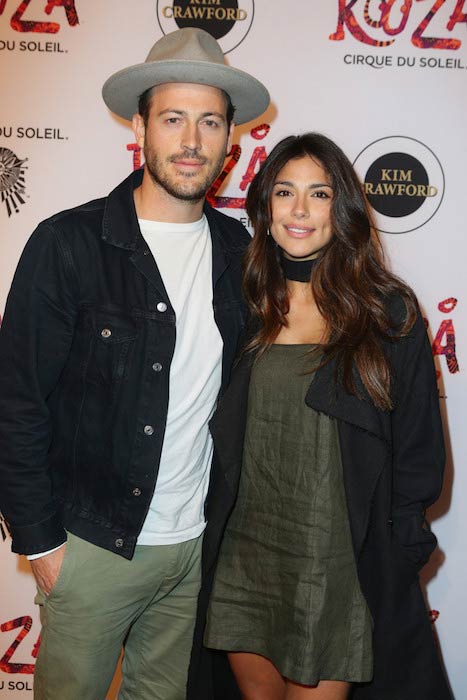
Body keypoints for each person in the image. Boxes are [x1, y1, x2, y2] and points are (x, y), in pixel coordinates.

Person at [0, 28, 269, 700]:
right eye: (173, 118)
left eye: (209, 121)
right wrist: (43, 547)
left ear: (229, 140)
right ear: (141, 127)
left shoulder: (238, 250)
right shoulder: (70, 244)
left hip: (192, 546)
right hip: (91, 545)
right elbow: (17, 399)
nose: (190, 140)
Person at [203, 133, 453, 699]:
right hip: (246, 556)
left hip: (336, 562)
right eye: (285, 192)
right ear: (264, 208)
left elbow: (418, 450)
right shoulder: (243, 303)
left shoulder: (387, 312)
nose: (298, 210)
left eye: (318, 194)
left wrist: (397, 553)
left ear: (341, 210)